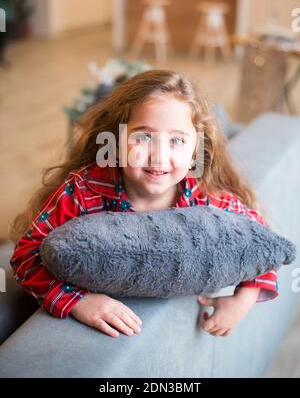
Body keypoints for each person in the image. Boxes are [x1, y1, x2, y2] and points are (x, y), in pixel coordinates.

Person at [10, 70, 278, 339]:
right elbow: (25, 255)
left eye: (177, 141)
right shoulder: (83, 190)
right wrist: (78, 301)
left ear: (196, 149)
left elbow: (262, 242)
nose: (159, 156)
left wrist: (243, 300)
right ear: (115, 141)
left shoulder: (204, 198)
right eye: (143, 137)